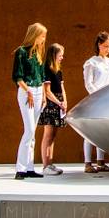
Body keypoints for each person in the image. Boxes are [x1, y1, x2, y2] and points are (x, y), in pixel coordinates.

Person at [11, 22, 47, 179]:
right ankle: (20, 168)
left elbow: (41, 75)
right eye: (42, 36)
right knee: (29, 130)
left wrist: (44, 95)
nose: (43, 39)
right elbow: (17, 76)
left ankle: (30, 167)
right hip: (27, 91)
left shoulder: (38, 52)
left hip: (39, 92)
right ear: (35, 35)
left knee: (33, 133)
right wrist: (28, 91)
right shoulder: (21, 52)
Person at [83, 31, 109, 173]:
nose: (108, 49)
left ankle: (101, 161)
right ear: (99, 45)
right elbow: (88, 83)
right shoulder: (91, 63)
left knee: (102, 130)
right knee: (90, 131)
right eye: (105, 46)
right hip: (96, 99)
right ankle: (87, 163)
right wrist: (98, 95)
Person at [38, 42, 68, 176]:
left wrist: (65, 101)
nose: (62, 57)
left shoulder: (58, 70)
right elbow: (47, 91)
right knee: (48, 135)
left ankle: (50, 163)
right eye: (60, 55)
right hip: (50, 104)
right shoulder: (47, 69)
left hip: (59, 104)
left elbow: (61, 88)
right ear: (54, 55)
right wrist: (58, 102)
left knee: (53, 135)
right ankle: (45, 165)